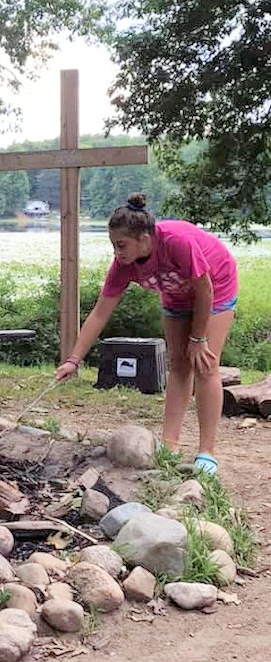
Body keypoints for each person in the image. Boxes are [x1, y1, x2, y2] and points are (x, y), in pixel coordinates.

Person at [55, 193, 238, 475]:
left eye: (122, 245)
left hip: (216, 286)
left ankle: (206, 452)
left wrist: (198, 338)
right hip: (176, 296)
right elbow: (100, 313)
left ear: (144, 238)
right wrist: (74, 359)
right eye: (114, 246)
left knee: (205, 364)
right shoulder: (123, 266)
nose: (117, 252)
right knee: (178, 365)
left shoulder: (176, 242)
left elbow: (205, 290)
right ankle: (170, 445)